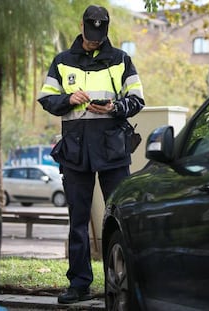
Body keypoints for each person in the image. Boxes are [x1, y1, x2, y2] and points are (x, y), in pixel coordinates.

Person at [37, 4, 145, 304]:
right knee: (78, 221)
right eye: (91, 31)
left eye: (101, 33)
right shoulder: (62, 61)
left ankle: (125, 281)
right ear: (82, 26)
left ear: (106, 29)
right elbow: (47, 99)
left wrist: (114, 107)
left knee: (121, 219)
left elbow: (137, 100)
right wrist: (69, 98)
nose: (95, 38)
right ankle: (80, 283)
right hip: (76, 152)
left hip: (113, 152)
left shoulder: (121, 60)